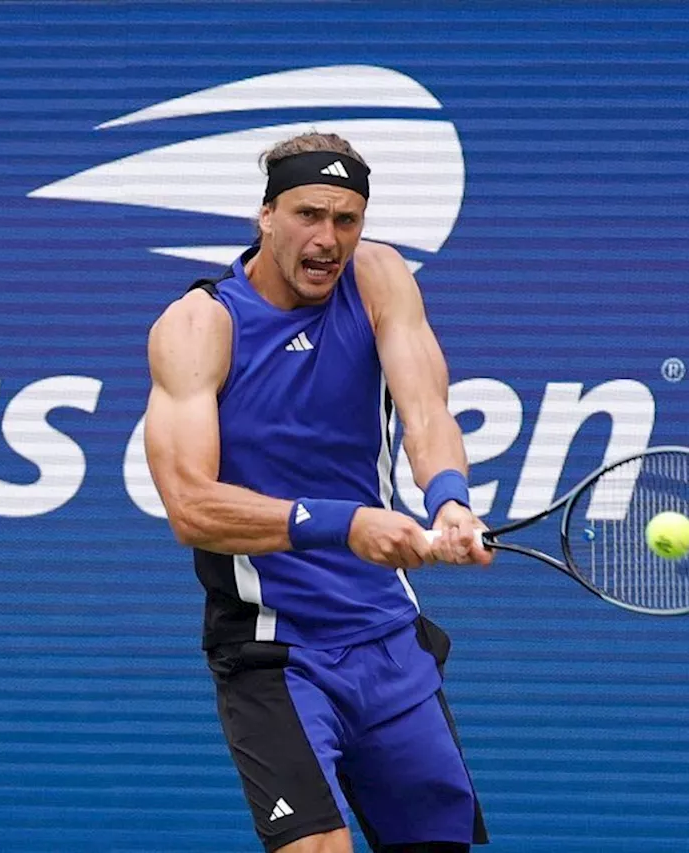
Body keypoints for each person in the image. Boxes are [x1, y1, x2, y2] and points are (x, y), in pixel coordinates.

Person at [144, 132, 493, 853]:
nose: (327, 239)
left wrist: (450, 498)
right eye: (308, 214)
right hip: (277, 648)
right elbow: (190, 505)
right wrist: (344, 523)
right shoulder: (200, 325)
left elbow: (427, 410)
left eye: (346, 219)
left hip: (388, 635)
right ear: (266, 215)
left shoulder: (379, 278)